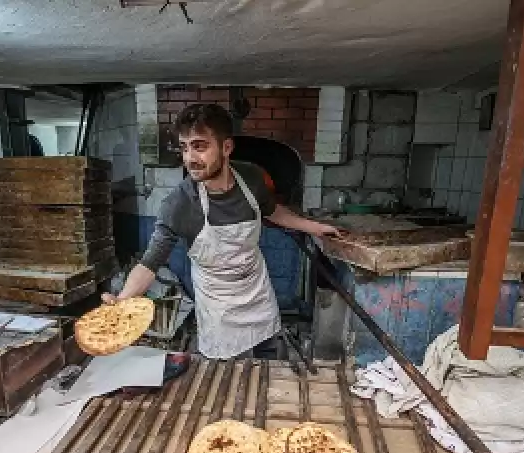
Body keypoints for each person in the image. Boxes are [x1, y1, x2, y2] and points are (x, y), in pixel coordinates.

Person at [102, 103, 343, 359]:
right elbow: (150, 262)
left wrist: (314, 227)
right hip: (218, 309)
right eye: (184, 147)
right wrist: (123, 299)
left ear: (226, 148)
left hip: (257, 294)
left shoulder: (251, 178)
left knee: (270, 369)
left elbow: (272, 211)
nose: (189, 158)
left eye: (199, 146)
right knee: (228, 381)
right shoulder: (180, 203)